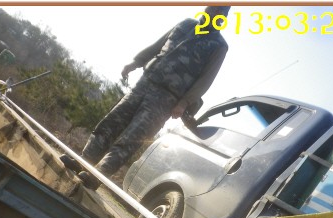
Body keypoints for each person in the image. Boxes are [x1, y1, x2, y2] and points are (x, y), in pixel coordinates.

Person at [61, 6, 230, 190]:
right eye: (211, 7)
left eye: (218, 11)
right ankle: (82, 161)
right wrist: (136, 62)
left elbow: (205, 80)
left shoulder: (218, 45)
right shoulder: (186, 24)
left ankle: (96, 176)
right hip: (145, 82)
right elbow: (157, 46)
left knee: (131, 138)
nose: (212, 12)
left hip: (166, 99)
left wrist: (184, 103)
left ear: (223, 17)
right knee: (110, 123)